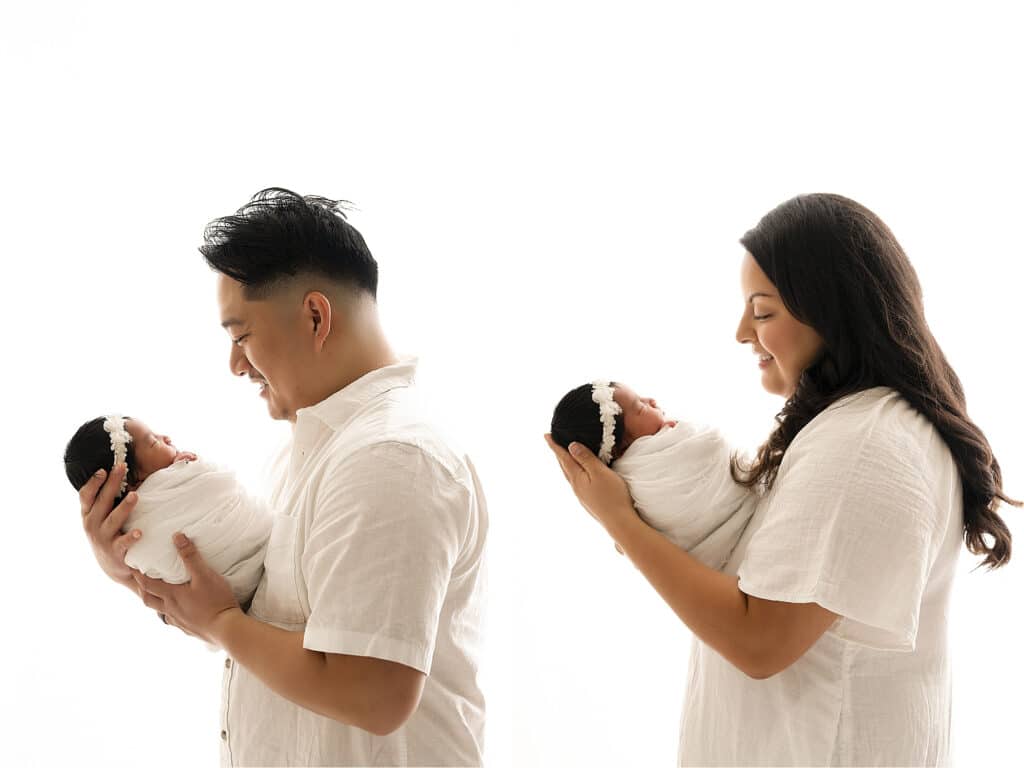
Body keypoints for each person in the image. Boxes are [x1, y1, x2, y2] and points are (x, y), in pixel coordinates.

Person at [545, 193, 1018, 766]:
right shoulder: (856, 428)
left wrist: (618, 517)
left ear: (832, 311)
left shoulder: (864, 445)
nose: (742, 331)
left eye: (762, 311)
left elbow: (760, 641)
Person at [77, 188, 488, 767]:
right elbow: (255, 630)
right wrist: (131, 570)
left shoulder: (391, 459)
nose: (235, 364)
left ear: (316, 316)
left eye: (241, 336)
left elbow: (374, 694)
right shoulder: (310, 452)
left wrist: (221, 623)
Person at [64, 414, 270, 609]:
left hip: (230, 601)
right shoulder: (138, 521)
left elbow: (216, 488)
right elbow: (215, 481)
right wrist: (192, 467)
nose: (166, 438)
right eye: (154, 442)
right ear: (134, 482)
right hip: (251, 571)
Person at [550, 380, 756, 570]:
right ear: (619, 449)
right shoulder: (632, 480)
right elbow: (712, 445)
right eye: (640, 407)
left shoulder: (623, 490)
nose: (651, 401)